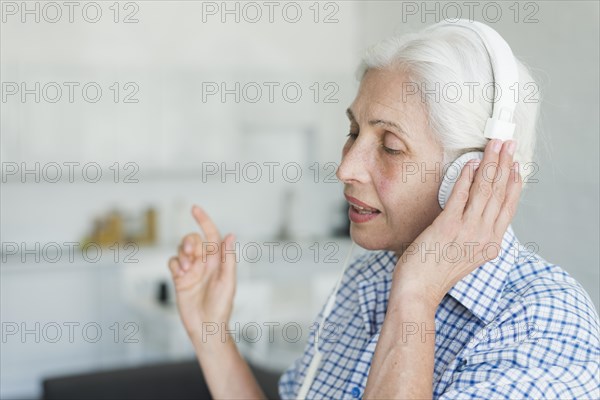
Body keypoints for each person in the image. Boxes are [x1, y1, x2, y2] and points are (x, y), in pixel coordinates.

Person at [168, 20, 600, 399]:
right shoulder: (367, 275)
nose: (345, 167)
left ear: (473, 173)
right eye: (353, 131)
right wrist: (212, 334)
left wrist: (414, 298)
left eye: (390, 147)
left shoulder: (544, 323)